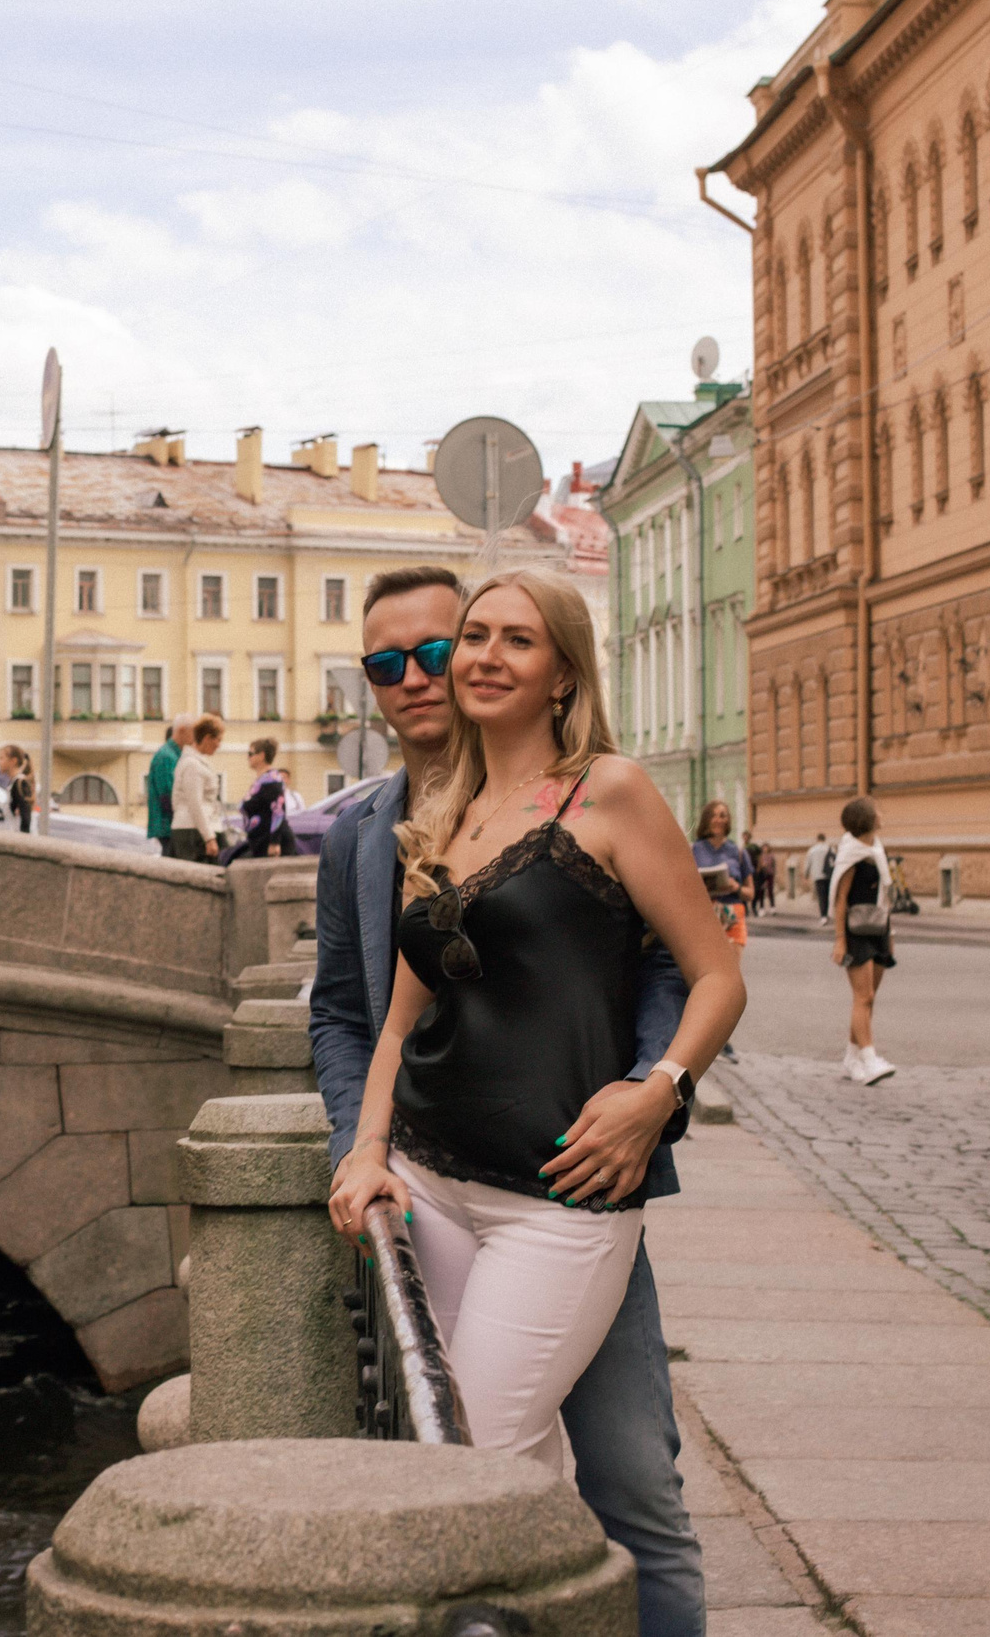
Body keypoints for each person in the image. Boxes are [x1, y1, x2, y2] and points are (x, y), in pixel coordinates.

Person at [310, 564, 710, 1637]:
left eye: (450, 646)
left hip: (573, 1180)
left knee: (621, 1484)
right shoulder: (382, 832)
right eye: (389, 663)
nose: (433, 672)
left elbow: (677, 973)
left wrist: (647, 1099)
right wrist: (364, 1148)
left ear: (554, 670)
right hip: (437, 1183)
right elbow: (359, 1019)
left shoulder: (605, 793)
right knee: (503, 1465)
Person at [828, 796, 898, 1084]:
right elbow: (840, 899)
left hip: (878, 928)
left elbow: (883, 897)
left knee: (869, 999)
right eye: (877, 810)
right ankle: (869, 1059)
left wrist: (889, 934)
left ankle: (851, 1057)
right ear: (866, 819)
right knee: (863, 997)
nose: (881, 813)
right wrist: (840, 940)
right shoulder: (851, 854)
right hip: (856, 932)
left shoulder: (876, 849)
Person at [225, 737, 300, 862]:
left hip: (272, 844)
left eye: (250, 754)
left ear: (261, 756)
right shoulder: (262, 781)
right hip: (260, 841)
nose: (248, 757)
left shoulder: (272, 779)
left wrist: (274, 843)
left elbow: (278, 811)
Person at [692, 802, 753, 948]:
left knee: (732, 969)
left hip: (733, 915)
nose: (718, 820)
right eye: (713, 815)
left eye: (722, 815)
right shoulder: (694, 850)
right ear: (706, 820)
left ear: (728, 820)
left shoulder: (738, 852)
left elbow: (750, 893)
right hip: (704, 915)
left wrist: (736, 887)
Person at [169, 716, 226, 862]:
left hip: (196, 828)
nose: (219, 745)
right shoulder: (192, 765)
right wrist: (209, 838)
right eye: (218, 740)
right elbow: (195, 803)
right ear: (207, 738)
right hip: (194, 832)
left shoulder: (194, 761)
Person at [145, 718, 189, 848]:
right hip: (167, 825)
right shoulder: (167, 757)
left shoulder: (172, 755)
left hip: (168, 824)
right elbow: (167, 794)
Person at [0, 745, 36, 832]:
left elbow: (25, 818)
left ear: (13, 761)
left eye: (1, 758)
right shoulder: (13, 783)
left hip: (20, 840)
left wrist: (22, 842)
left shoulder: (20, 783)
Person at [803, 831, 833, 918]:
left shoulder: (812, 850)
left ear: (817, 839)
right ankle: (827, 912)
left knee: (821, 895)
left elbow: (808, 863)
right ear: (824, 839)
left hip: (817, 875)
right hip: (828, 874)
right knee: (827, 894)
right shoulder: (830, 848)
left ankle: (823, 915)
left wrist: (806, 874)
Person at [750, 835, 776, 916]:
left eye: (766, 847)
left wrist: (773, 873)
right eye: (764, 847)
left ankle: (772, 907)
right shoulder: (760, 856)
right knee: (761, 891)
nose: (765, 849)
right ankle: (761, 908)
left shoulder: (771, 856)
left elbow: (774, 866)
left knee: (770, 891)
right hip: (762, 875)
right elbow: (758, 865)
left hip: (769, 874)